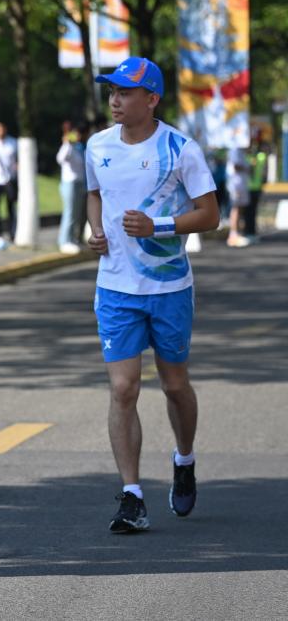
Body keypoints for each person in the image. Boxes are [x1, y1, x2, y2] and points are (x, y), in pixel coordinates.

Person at [86, 57, 219, 533]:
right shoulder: (97, 145)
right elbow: (95, 193)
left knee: (174, 385)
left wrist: (157, 226)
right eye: (112, 92)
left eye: (125, 92)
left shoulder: (180, 149)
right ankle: (132, 495)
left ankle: (184, 458)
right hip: (115, 287)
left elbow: (210, 214)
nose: (115, 101)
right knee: (123, 388)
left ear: (152, 99)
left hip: (168, 288)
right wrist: (95, 230)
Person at [56, 121, 88, 253]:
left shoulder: (79, 148)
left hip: (80, 183)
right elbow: (60, 158)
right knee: (69, 212)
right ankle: (64, 241)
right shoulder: (68, 147)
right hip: (69, 183)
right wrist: (66, 143)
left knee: (76, 214)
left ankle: (73, 239)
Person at [243, 131, 268, 240]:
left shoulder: (260, 157)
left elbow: (264, 172)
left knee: (251, 211)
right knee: (249, 211)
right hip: (249, 187)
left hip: (254, 187)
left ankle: (250, 232)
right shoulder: (249, 157)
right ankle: (248, 231)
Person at [225, 142, 251, 247]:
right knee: (235, 208)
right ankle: (233, 235)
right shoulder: (234, 149)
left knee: (239, 209)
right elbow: (235, 166)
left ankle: (237, 233)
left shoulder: (240, 150)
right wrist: (247, 168)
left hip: (240, 183)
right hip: (236, 184)